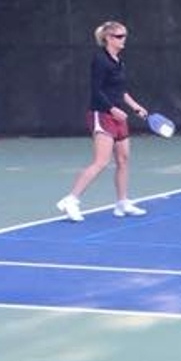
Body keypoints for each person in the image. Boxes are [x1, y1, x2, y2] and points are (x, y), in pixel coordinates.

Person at [56, 21, 150, 222]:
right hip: (102, 114)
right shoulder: (100, 60)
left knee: (123, 159)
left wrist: (135, 106)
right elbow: (96, 91)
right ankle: (71, 200)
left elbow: (120, 91)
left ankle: (122, 202)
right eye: (119, 36)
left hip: (118, 115)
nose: (123, 39)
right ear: (107, 38)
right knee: (101, 161)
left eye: (124, 35)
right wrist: (112, 109)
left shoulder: (119, 62)